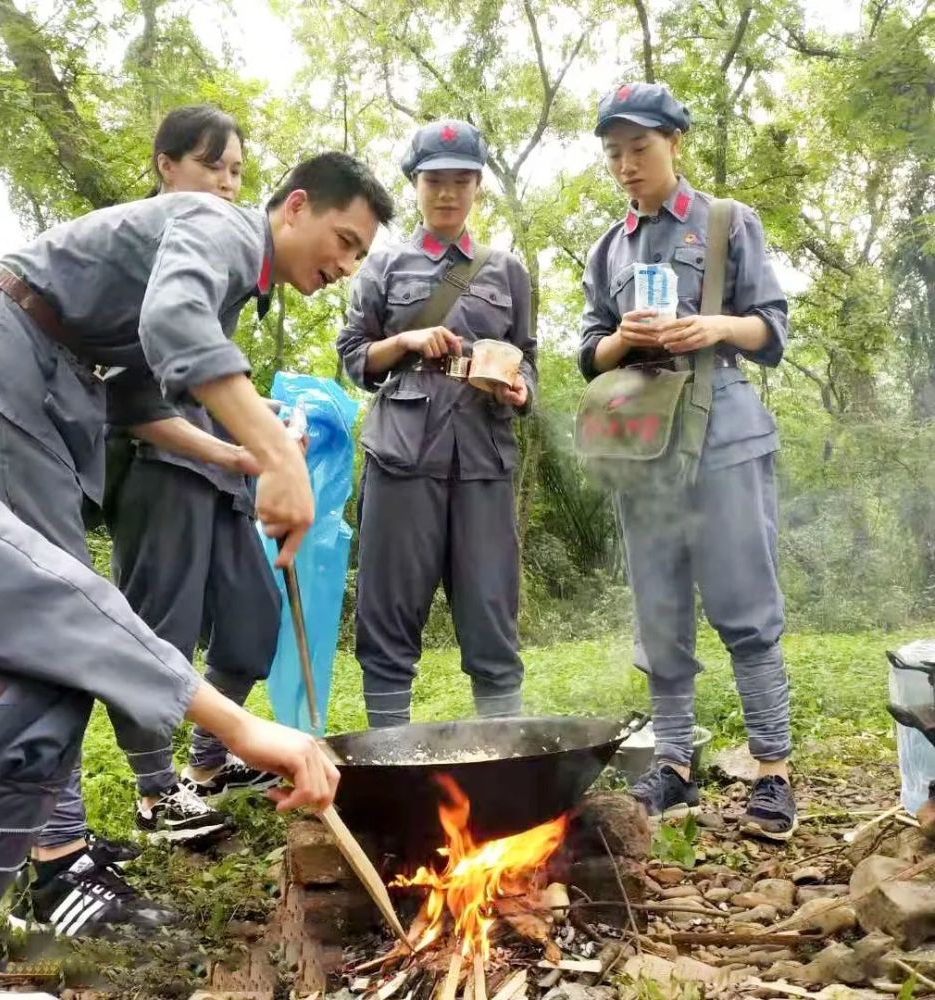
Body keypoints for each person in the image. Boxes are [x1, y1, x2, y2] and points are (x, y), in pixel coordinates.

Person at [0, 151, 394, 928]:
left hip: (49, 385)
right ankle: (56, 865)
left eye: (359, 256)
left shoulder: (227, 287)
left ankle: (53, 841)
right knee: (47, 615)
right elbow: (171, 324)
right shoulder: (217, 224)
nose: (346, 265)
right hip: (3, 365)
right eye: (344, 240)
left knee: (52, 611)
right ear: (294, 208)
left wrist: (238, 453)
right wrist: (282, 457)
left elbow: (138, 402)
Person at [0, 431, 339, 998]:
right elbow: (21, 589)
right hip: (165, 465)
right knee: (42, 679)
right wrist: (238, 725)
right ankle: (59, 866)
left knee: (55, 661)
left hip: (213, 475)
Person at [578, 82, 796, 839]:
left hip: (726, 435)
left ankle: (772, 768)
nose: (627, 165)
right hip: (643, 447)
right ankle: (672, 766)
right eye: (614, 153)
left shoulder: (727, 223)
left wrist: (710, 327)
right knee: (661, 612)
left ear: (674, 142)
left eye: (640, 148)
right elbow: (589, 353)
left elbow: (771, 332)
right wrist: (625, 339)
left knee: (746, 608)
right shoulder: (610, 246)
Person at [104, 106, 286, 847]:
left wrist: (257, 416)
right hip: (158, 464)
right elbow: (134, 393)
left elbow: (204, 376)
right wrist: (242, 447)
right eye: (213, 165)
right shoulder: (144, 251)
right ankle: (155, 793)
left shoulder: (222, 256)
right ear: (166, 166)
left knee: (251, 623)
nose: (227, 182)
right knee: (162, 630)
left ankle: (209, 763)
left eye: (238, 171)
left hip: (221, 471)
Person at [336, 120, 536, 729]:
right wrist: (406, 338)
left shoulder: (507, 272)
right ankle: (391, 758)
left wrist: (520, 388)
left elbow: (529, 358)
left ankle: (503, 768)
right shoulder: (384, 265)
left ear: (477, 187)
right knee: (389, 618)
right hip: (401, 456)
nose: (446, 193)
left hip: (483, 459)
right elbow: (352, 354)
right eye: (433, 181)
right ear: (415, 186)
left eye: (459, 181)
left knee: (491, 618)